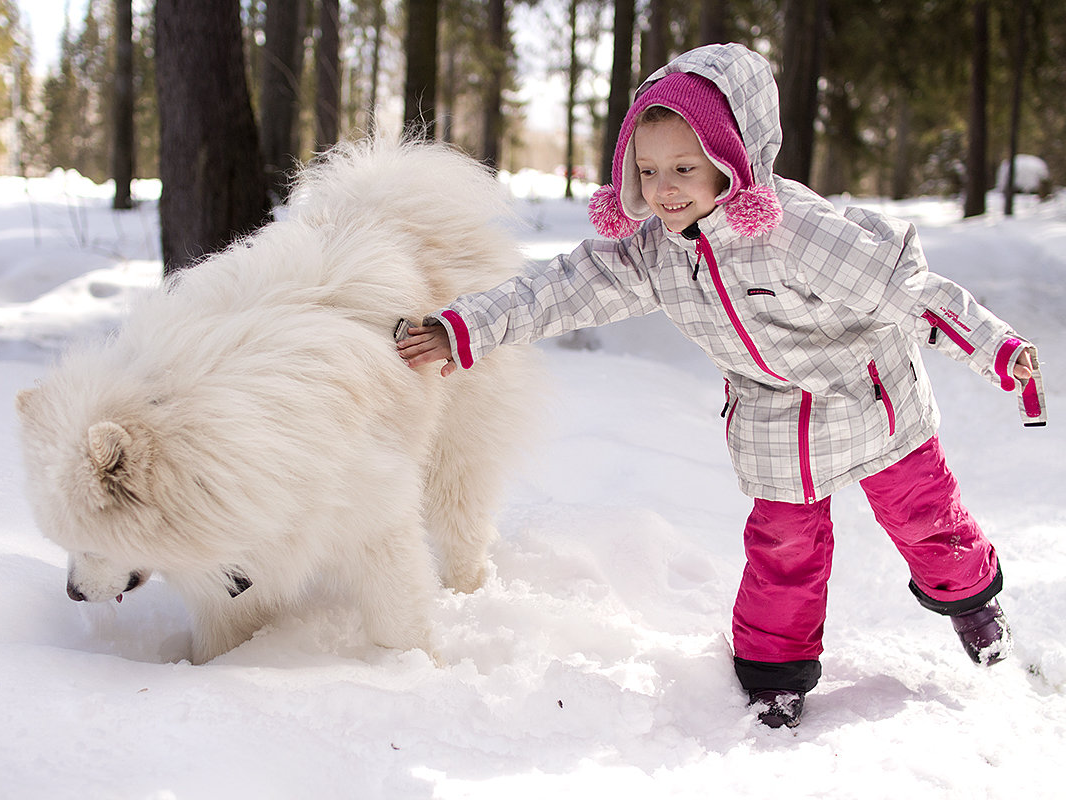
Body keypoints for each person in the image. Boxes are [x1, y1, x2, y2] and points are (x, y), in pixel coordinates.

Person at [396, 43, 1045, 729]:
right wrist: (461, 328)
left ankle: (974, 604)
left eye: (683, 168)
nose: (663, 189)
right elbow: (557, 289)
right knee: (782, 547)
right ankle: (774, 676)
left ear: (731, 161)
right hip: (773, 417)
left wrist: (995, 348)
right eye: (647, 171)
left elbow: (905, 291)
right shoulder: (652, 252)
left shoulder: (795, 232)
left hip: (870, 394)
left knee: (926, 520)